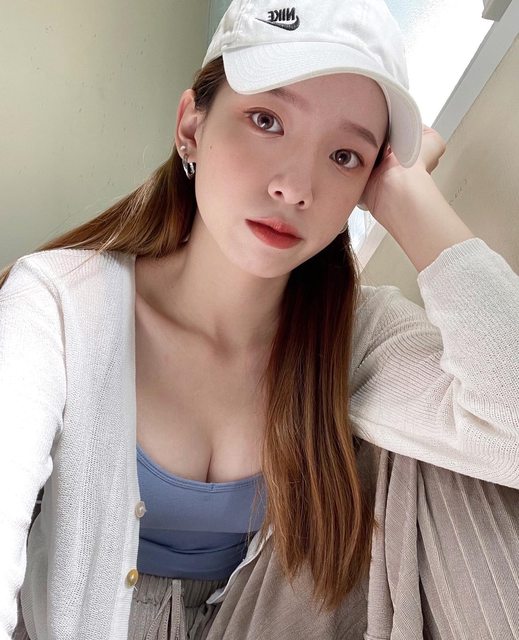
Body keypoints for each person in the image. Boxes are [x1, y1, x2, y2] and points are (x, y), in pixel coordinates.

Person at [1, 0, 518, 638]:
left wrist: (407, 197)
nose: (296, 187)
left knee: (444, 463)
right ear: (191, 126)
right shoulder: (59, 302)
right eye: (267, 120)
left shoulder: (356, 335)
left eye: (344, 157)